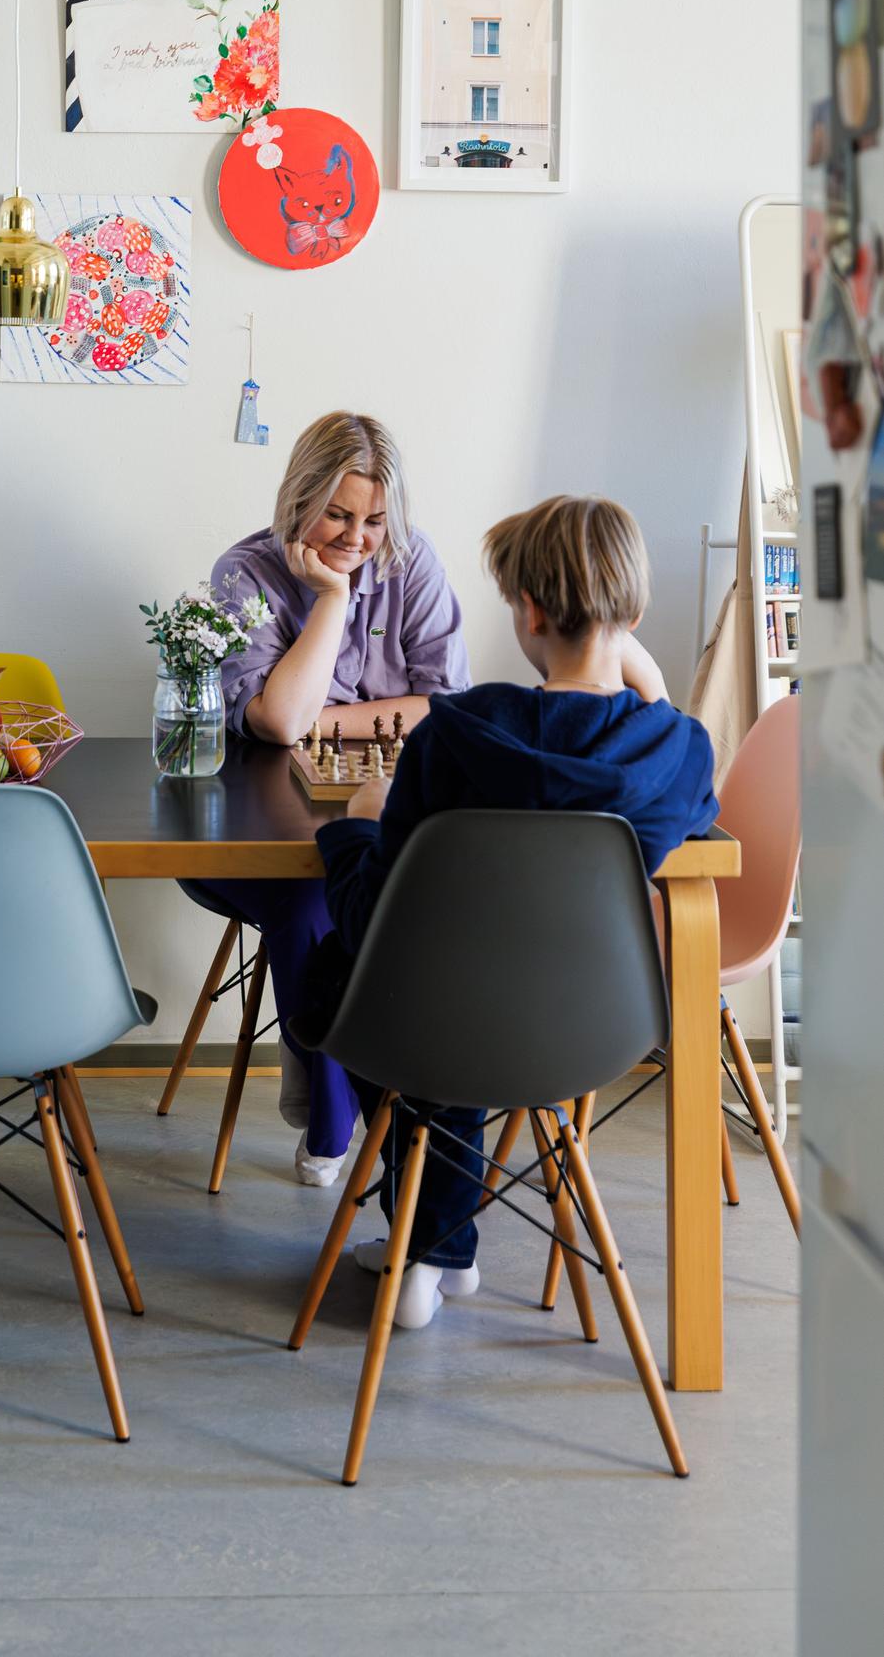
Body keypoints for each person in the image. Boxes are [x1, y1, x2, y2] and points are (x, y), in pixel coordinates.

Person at [302, 492, 719, 1328]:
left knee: (395, 978)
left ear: (526, 611)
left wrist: (351, 829)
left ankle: (427, 1246)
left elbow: (374, 913)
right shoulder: (678, 749)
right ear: (633, 616)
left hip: (430, 1015)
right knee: (466, 988)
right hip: (592, 1025)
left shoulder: (456, 732)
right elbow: (691, 812)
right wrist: (647, 684)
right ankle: (436, 1249)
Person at [208, 412, 470, 1186]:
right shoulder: (244, 573)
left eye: (375, 520)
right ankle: (332, 1119)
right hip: (250, 835)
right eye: (338, 515)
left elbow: (445, 704)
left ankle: (399, 1099)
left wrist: (319, 720)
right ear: (299, 500)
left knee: (384, 895)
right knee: (305, 901)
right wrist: (330, 598)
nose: (358, 538)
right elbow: (275, 723)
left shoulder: (411, 562)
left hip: (378, 819)